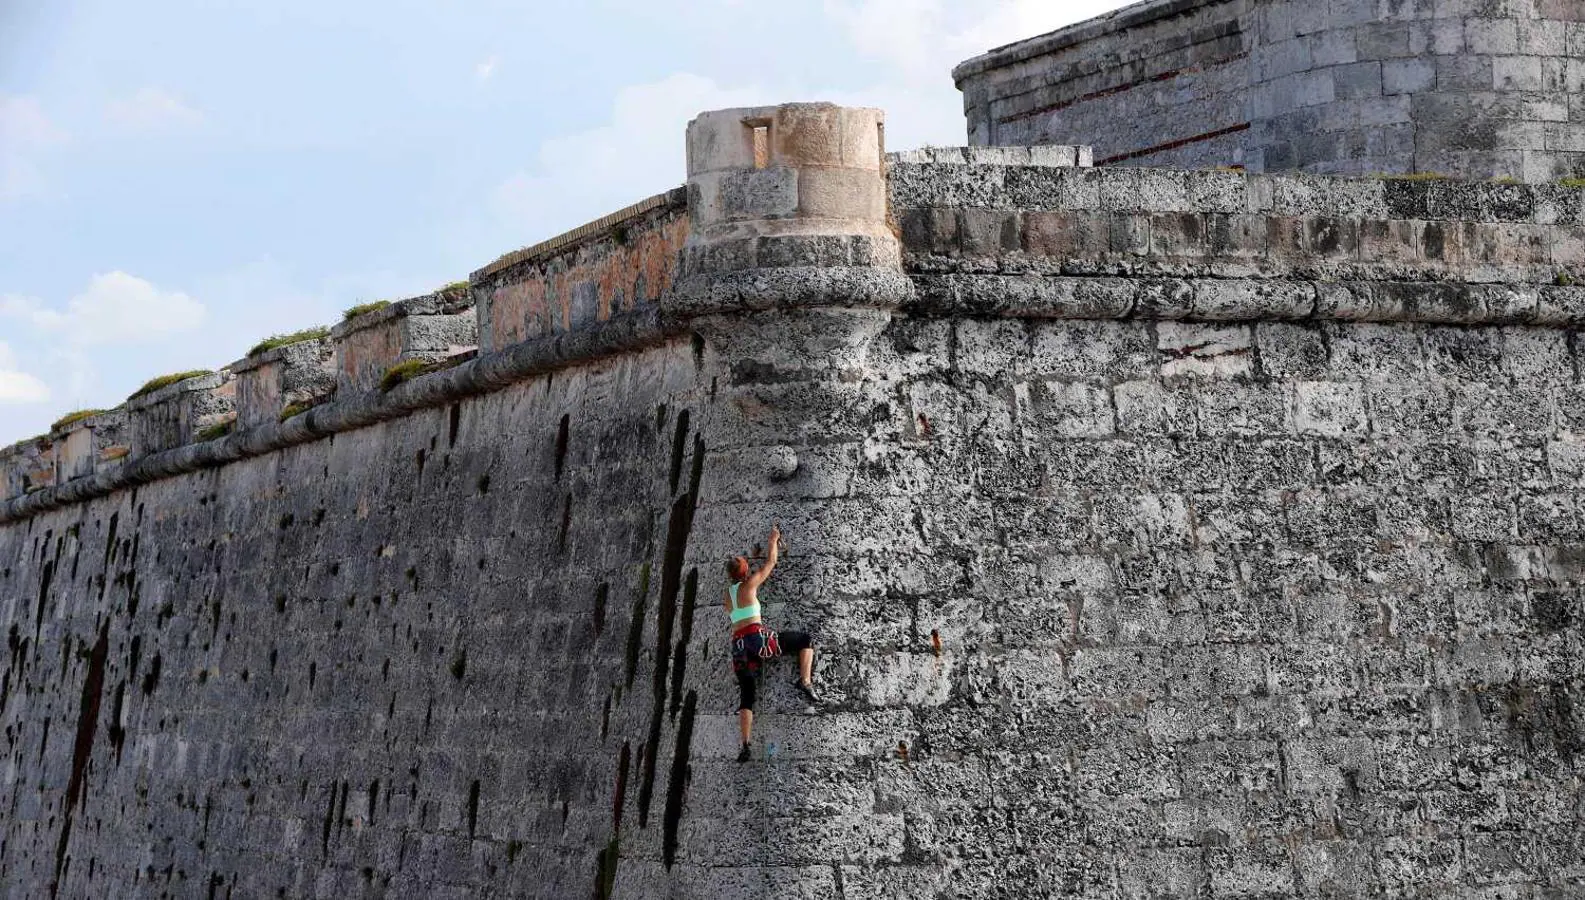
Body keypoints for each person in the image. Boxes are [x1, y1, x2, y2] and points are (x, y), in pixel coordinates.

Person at [726, 524, 818, 762]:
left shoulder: (729, 595)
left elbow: (741, 578)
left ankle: (745, 743)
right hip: (757, 640)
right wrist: (773, 540)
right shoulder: (749, 585)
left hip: (739, 647)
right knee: (804, 640)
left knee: (747, 695)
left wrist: (747, 565)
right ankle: (805, 681)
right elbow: (770, 564)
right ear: (746, 572)